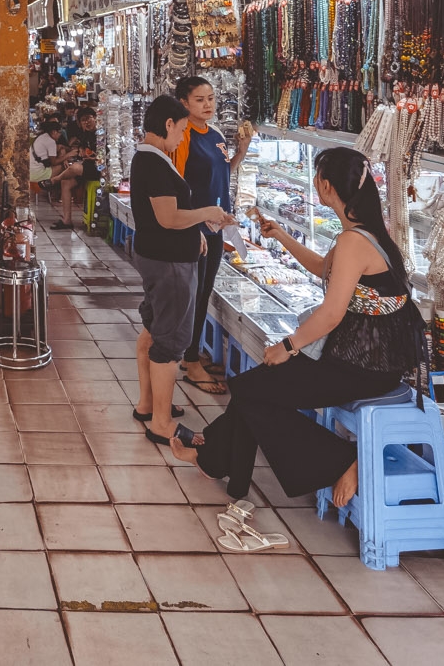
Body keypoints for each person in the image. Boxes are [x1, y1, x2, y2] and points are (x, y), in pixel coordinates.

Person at [172, 146, 425, 552]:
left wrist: (287, 347)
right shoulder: (363, 234)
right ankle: (223, 470)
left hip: (363, 365)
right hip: (366, 357)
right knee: (254, 386)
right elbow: (322, 269)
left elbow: (330, 314)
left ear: (326, 186)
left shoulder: (354, 241)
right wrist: (281, 235)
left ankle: (340, 460)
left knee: (253, 388)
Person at [128, 95, 236, 452]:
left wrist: (197, 231)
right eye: (182, 129)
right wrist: (208, 212)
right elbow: (168, 218)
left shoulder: (152, 158)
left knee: (154, 329)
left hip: (164, 255)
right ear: (169, 123)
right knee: (170, 341)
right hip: (168, 263)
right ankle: (161, 423)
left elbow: (174, 216)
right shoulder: (154, 163)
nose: (182, 137)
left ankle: (148, 404)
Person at [172, 77, 248, 397]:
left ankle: (191, 353)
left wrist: (241, 151)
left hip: (214, 226)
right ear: (184, 103)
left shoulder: (215, 134)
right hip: (195, 227)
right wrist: (191, 228)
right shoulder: (183, 135)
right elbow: (176, 185)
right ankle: (190, 361)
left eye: (211, 98)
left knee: (203, 293)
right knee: (194, 293)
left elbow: (222, 173)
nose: (208, 104)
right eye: (200, 99)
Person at [29, 117, 83, 226]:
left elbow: (59, 148)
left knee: (64, 163)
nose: (59, 136)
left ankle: (60, 193)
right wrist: (68, 155)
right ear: (54, 132)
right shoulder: (50, 141)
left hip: (31, 171)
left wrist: (63, 151)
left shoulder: (43, 137)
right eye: (59, 133)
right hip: (37, 174)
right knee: (65, 170)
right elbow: (54, 162)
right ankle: (57, 193)